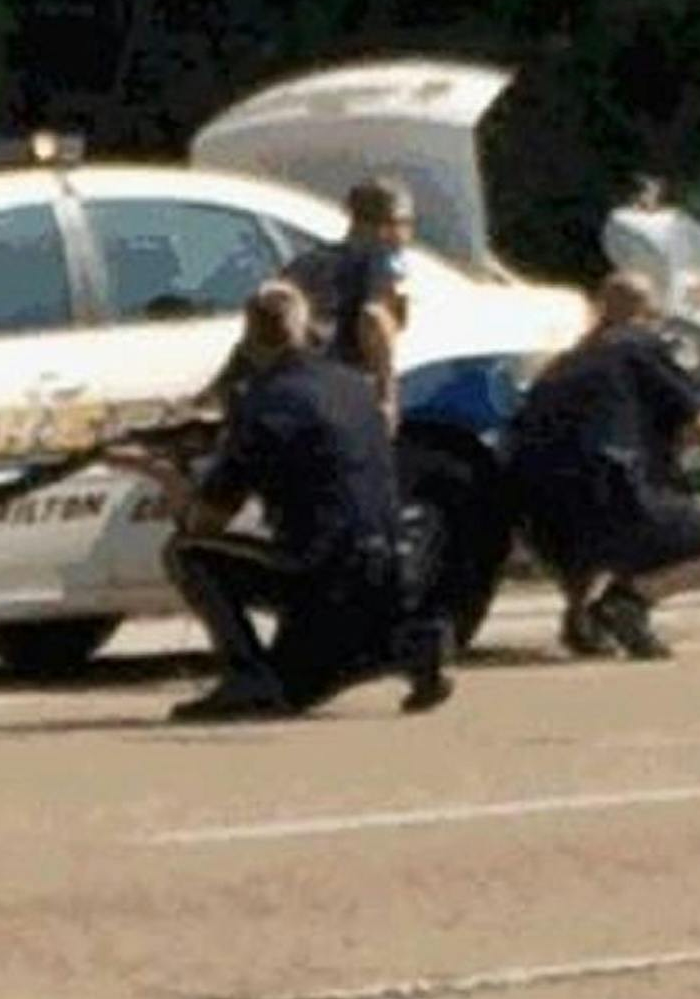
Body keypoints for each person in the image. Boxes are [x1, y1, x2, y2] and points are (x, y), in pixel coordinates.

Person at [106, 279, 454, 721]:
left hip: (320, 572)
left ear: (249, 340)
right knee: (330, 657)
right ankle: (409, 645)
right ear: (305, 329)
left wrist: (157, 472)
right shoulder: (352, 387)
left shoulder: (265, 407)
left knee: (189, 555)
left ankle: (248, 675)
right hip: (393, 569)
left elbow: (205, 523)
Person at [507, 270, 700, 659]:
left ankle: (580, 620)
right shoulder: (640, 346)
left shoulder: (562, 364)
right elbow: (695, 428)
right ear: (647, 312)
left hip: (539, 522)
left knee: (588, 508)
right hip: (615, 500)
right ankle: (629, 603)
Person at [197, 176, 415, 433]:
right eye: (406, 223)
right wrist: (387, 396)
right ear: (386, 225)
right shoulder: (379, 258)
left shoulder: (308, 261)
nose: (408, 234)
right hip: (322, 387)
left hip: (266, 384)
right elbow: (374, 318)